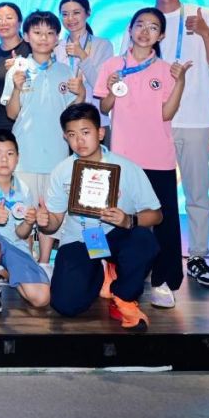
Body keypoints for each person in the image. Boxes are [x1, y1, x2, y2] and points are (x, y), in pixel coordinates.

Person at [122, 0, 209, 288]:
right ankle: (150, 257)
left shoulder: (202, 15)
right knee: (147, 196)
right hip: (149, 125)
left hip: (193, 117)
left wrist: (206, 34)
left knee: (197, 191)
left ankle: (197, 256)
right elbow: (125, 72)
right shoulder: (142, 21)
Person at [98, 8, 190, 308]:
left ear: (161, 35)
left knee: (164, 220)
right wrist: (111, 89)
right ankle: (114, 274)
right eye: (140, 25)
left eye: (152, 27)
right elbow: (105, 108)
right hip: (121, 157)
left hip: (158, 156)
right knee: (114, 217)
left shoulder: (166, 69)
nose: (145, 31)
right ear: (130, 29)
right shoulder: (113, 65)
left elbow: (167, 113)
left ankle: (164, 282)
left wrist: (180, 82)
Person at [43, 103, 163, 332]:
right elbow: (55, 221)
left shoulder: (126, 167)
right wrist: (45, 221)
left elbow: (157, 215)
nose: (79, 141)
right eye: (72, 135)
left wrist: (129, 220)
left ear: (100, 133)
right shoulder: (62, 171)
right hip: (80, 238)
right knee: (65, 305)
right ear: (65, 137)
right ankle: (100, 269)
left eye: (85, 132)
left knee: (143, 241)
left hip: (115, 235)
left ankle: (123, 296)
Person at [0, 10, 85, 277]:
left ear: (57, 38)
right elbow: (11, 113)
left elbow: (72, 113)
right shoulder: (17, 69)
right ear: (26, 36)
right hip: (25, 154)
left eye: (50, 33)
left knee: (51, 210)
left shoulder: (64, 71)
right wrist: (16, 88)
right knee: (25, 209)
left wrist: (81, 93)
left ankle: (46, 261)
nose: (44, 38)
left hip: (57, 154)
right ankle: (26, 260)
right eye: (37, 32)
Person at [0, 131, 51, 314]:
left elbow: (21, 234)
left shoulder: (24, 189)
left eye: (10, 153)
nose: (4, 159)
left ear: (17, 157)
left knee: (41, 299)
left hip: (15, 246)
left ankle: (3, 273)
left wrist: (29, 222)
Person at [55, 0, 114, 137]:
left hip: (96, 121)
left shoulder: (103, 45)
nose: (70, 19)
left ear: (88, 13)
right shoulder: (56, 47)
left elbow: (101, 87)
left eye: (76, 13)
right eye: (65, 14)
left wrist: (82, 56)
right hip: (64, 121)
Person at [0, 2, 32, 133]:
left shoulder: (32, 49)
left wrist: (20, 65)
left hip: (27, 122)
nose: (3, 22)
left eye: (9, 18)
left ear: (20, 22)